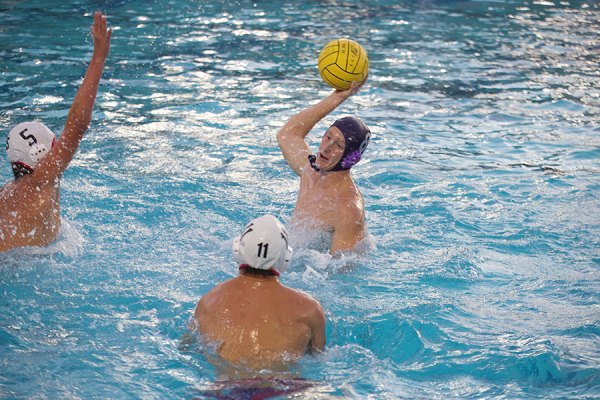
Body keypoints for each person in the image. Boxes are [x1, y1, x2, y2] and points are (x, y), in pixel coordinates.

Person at [0, 12, 112, 252]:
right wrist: (99, 58)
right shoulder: (42, 181)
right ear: (43, 154)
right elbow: (77, 126)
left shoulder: (6, 193)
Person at [193, 215, 326, 371]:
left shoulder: (209, 301)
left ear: (237, 249)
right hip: (282, 387)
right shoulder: (309, 309)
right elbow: (318, 360)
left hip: (223, 389)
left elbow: (192, 350)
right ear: (286, 258)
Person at [276, 81, 371, 255]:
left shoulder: (347, 209)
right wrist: (338, 96)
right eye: (328, 137)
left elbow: (342, 272)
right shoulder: (310, 171)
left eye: (338, 145)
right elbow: (287, 134)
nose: (326, 148)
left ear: (350, 158)